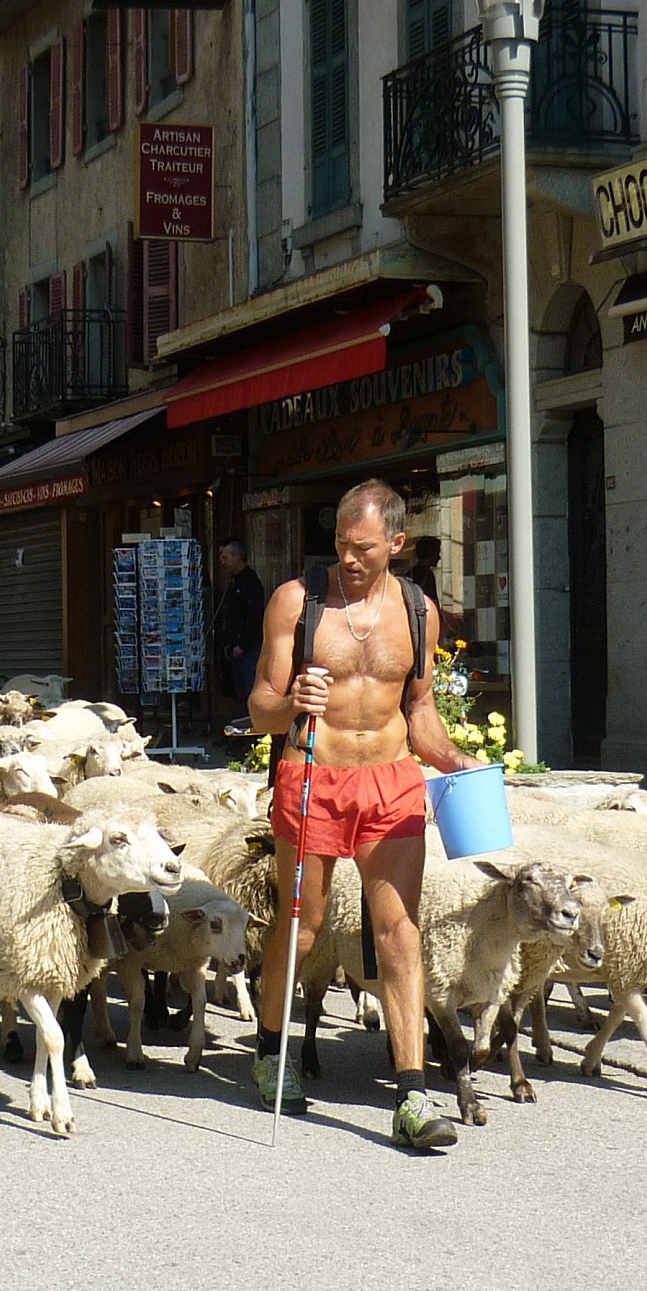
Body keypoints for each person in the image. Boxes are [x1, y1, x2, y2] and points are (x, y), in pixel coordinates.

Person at [247, 478, 477, 1152]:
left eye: (364, 548)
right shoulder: (298, 602)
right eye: (342, 546)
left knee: (399, 933)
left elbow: (420, 709)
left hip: (392, 783)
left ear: (397, 544)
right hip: (312, 775)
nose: (348, 559)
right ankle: (270, 1051)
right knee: (305, 928)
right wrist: (292, 701)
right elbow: (260, 706)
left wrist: (454, 762)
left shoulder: (418, 611)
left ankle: (411, 1094)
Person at [212, 539, 264, 702]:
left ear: (237, 557)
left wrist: (243, 644)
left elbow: (254, 616)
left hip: (246, 648)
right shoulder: (235, 581)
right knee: (240, 692)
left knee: (249, 690)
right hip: (235, 647)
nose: (222, 562)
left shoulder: (250, 582)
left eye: (226, 557)